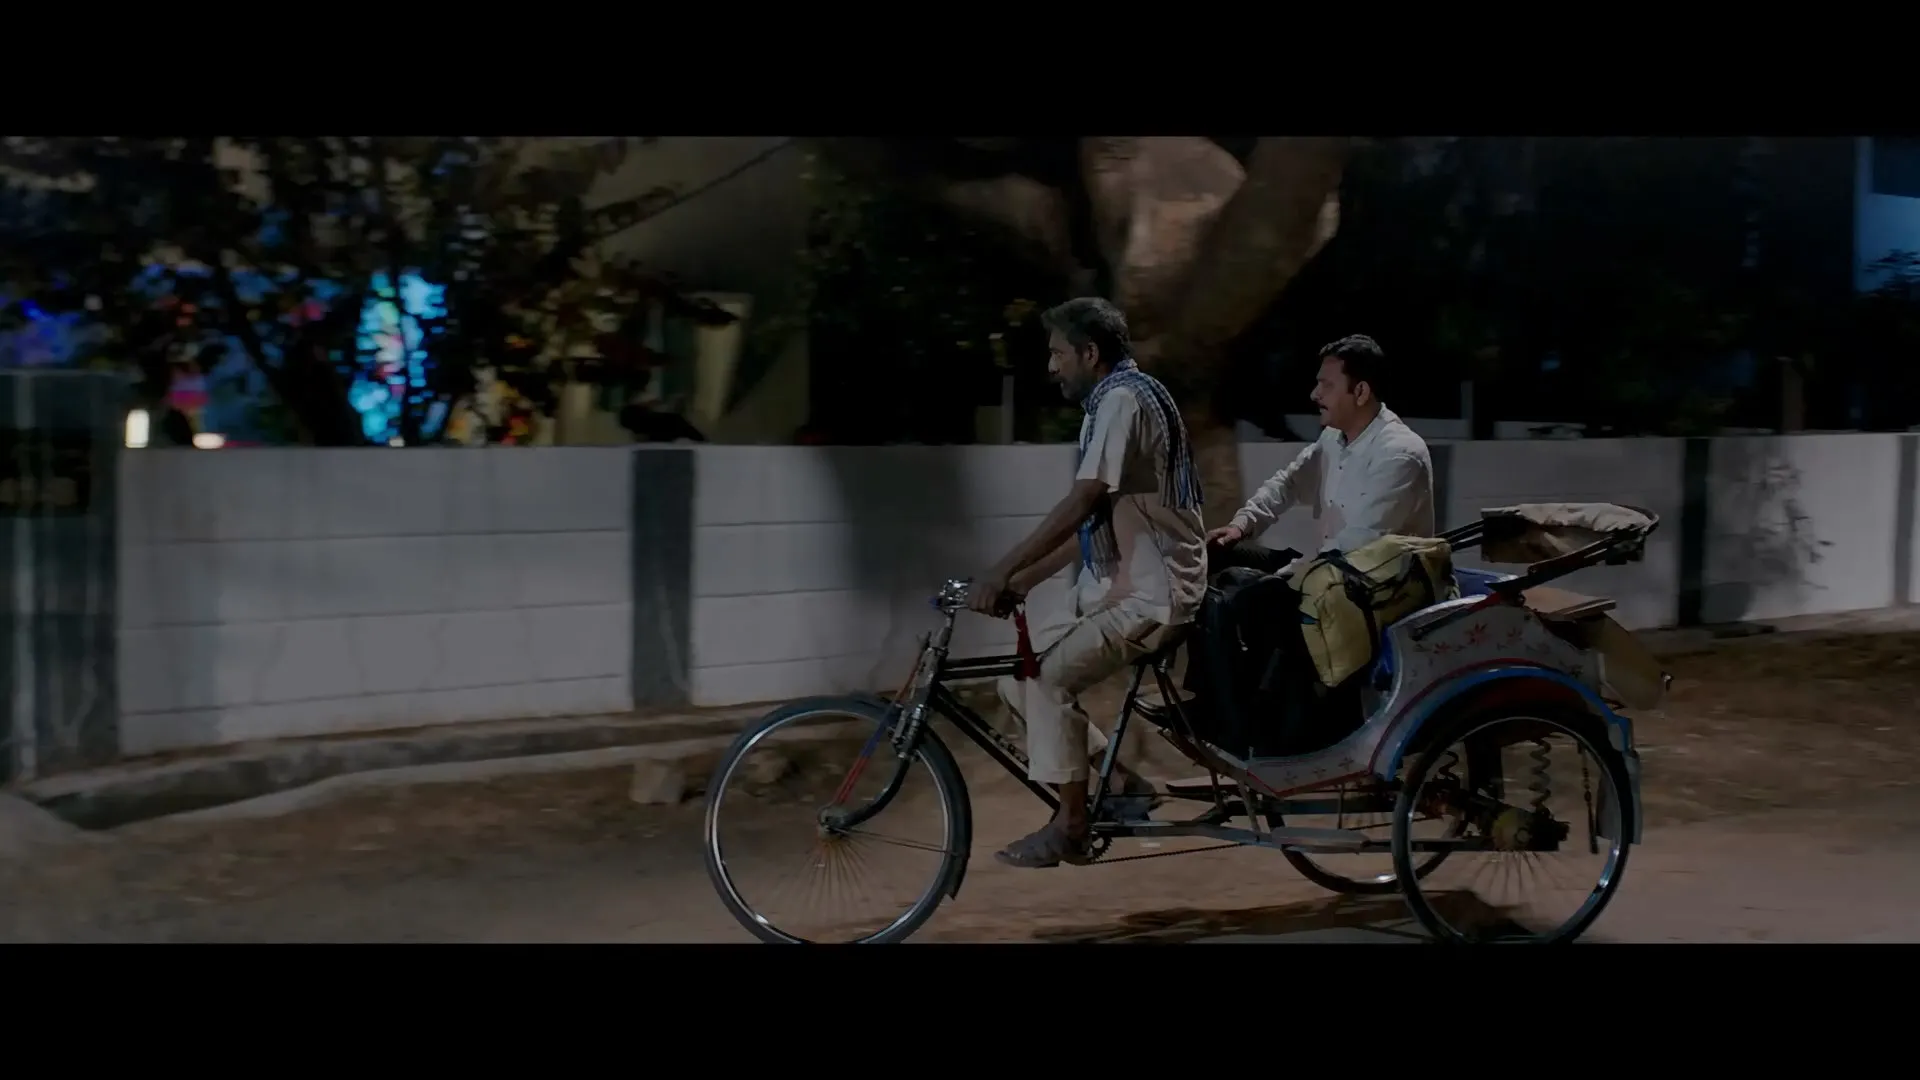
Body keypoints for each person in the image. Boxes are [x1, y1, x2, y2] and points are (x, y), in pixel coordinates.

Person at [964, 297, 1207, 869]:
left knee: (1047, 679)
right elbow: (1097, 521)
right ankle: (1120, 785)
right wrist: (1023, 581)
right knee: (1016, 679)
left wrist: (1000, 570)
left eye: (1058, 354)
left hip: (1152, 594)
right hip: (1120, 584)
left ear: (1090, 353)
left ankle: (1071, 825)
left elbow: (1083, 501)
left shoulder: (1123, 401)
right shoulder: (1118, 398)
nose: (1051, 366)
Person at [1207, 334, 1434, 571]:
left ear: (1360, 392)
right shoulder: (1333, 437)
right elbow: (1288, 483)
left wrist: (1287, 575)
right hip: (1327, 572)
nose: (1315, 394)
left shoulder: (1399, 454)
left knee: (1252, 589)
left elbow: (1358, 546)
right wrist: (1241, 525)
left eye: (1327, 385)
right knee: (1218, 554)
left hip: (1374, 585)